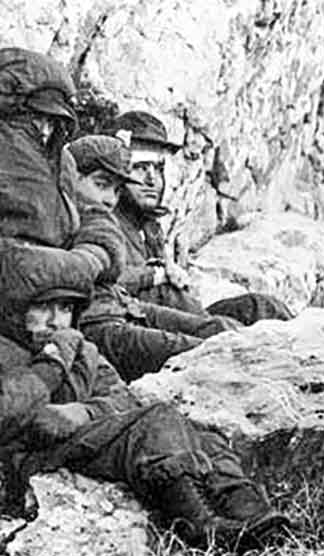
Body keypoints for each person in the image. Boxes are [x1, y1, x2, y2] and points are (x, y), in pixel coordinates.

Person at [0, 239, 291, 552]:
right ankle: (200, 525)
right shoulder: (11, 351)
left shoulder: (80, 349)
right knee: (154, 422)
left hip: (76, 440)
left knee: (204, 436)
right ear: (15, 309)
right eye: (43, 307)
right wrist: (51, 366)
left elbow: (122, 398)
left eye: (66, 308)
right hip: (22, 455)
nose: (56, 320)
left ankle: (254, 515)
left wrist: (86, 412)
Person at [65, 135, 240, 382]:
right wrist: (155, 275)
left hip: (124, 310)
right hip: (97, 327)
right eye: (101, 184)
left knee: (223, 333)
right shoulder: (63, 223)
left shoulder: (133, 224)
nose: (110, 199)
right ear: (70, 178)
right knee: (212, 353)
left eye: (116, 189)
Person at [100, 111, 293, 325]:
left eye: (158, 168)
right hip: (139, 323)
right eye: (139, 167)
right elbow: (101, 281)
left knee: (261, 306)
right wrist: (156, 274)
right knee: (224, 329)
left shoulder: (149, 226)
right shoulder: (105, 222)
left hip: (181, 318)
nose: (152, 179)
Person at [0, 47, 123, 285]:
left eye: (54, 122)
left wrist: (95, 254)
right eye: (36, 119)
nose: (46, 130)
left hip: (63, 290)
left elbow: (92, 215)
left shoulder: (60, 162)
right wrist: (71, 267)